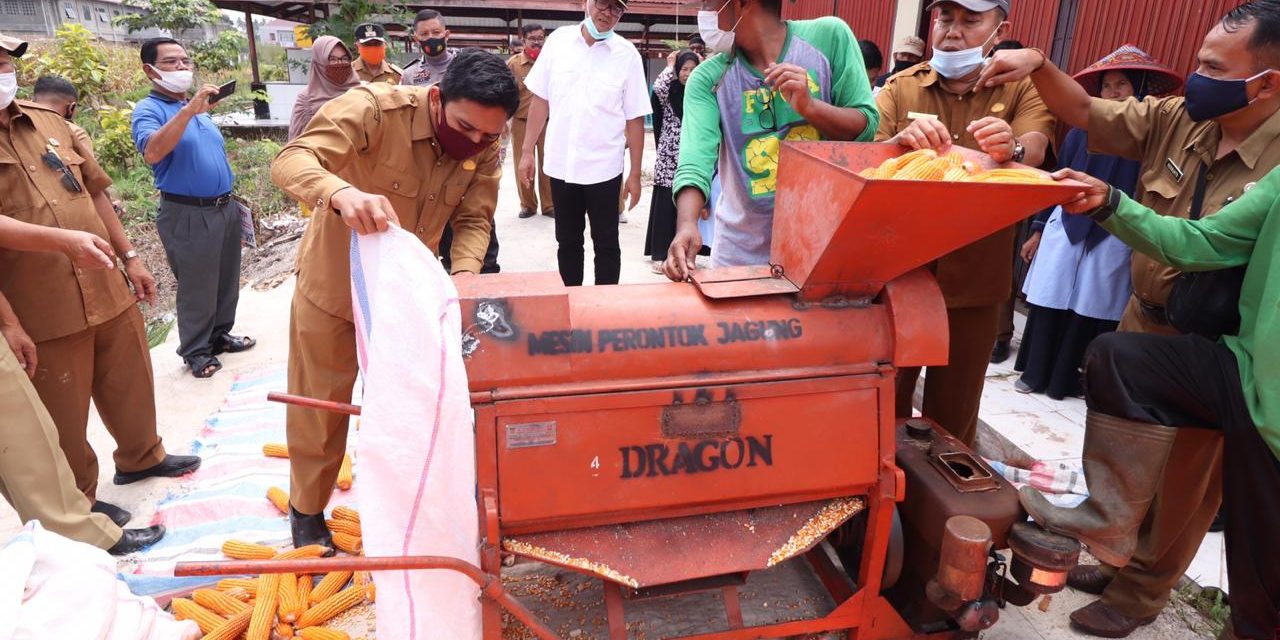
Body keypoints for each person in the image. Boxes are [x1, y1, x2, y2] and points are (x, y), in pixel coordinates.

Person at [976, 1, 1280, 634]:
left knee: (1185, 493)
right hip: (1144, 316)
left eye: (1213, 66)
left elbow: (1199, 243)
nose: (1196, 76)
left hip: (1213, 345)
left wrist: (1111, 204)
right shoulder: (1183, 117)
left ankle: (1139, 596)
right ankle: (1114, 554)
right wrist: (1038, 63)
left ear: (1267, 82)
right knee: (1127, 465)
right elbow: (1084, 111)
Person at [271, 49, 518, 550]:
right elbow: (292, 159)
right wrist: (340, 193)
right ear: (436, 97)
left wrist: (465, 276)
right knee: (323, 405)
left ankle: (405, 511)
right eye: (465, 127)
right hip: (334, 285)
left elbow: (473, 218)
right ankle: (308, 511)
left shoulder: (488, 142)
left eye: (487, 136)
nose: (474, 142)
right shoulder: (373, 109)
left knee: (409, 408)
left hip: (404, 297)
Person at [1026, 163, 1280, 640]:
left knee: (1262, 600)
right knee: (1117, 360)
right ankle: (1111, 524)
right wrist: (1110, 204)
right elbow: (1201, 241)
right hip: (1245, 373)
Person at [1, 32, 200, 525]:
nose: (3, 70)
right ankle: (82, 507)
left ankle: (142, 457)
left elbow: (94, 194)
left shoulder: (48, 122)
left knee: (129, 377)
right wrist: (8, 321)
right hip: (39, 302)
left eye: (4, 60)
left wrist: (130, 257)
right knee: (62, 413)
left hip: (104, 279)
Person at [875, 0, 1054, 448]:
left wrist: (1011, 148)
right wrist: (896, 143)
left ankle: (940, 512)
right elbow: (866, 156)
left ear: (1000, 29)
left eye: (971, 21)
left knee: (953, 423)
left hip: (976, 279)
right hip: (900, 276)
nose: (953, 32)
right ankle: (882, 507)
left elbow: (1036, 143)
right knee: (881, 409)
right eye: (945, 19)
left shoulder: (1020, 90)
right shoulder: (900, 88)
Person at [664, 0, 879, 279]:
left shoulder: (829, 38)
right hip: (740, 258)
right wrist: (686, 225)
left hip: (822, 251)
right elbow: (695, 160)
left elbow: (866, 127)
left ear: (741, 4)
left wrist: (811, 107)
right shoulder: (708, 78)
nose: (702, 13)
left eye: (707, 3)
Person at [1015, 47, 1182, 400]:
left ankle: (1067, 379)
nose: (1114, 92)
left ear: (1139, 90)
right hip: (1067, 225)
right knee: (1050, 299)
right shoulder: (1079, 131)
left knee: (1092, 306)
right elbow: (1057, 178)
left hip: (1114, 230)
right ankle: (1035, 372)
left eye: (1123, 85)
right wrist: (1039, 228)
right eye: (1107, 86)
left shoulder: (1150, 137)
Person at [0, 215, 167, 556]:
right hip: (45, 304)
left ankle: (74, 529)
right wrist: (62, 241)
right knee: (28, 446)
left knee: (29, 441)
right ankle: (78, 536)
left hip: (95, 286)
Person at [132, 37, 254, 380]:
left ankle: (218, 335)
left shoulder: (197, 110)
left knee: (225, 279)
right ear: (150, 70)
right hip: (187, 212)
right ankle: (196, 351)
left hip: (223, 208)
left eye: (186, 61)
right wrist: (187, 112)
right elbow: (152, 152)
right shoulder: (150, 109)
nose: (183, 67)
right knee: (197, 284)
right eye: (172, 62)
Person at [518, 0, 651, 287]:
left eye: (616, 10)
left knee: (606, 244)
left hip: (604, 169)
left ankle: (604, 310)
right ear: (587, 3)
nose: (608, 14)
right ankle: (573, 306)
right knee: (567, 242)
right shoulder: (558, 42)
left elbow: (635, 118)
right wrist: (527, 151)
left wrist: (635, 173)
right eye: (603, 4)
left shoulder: (626, 55)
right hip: (561, 165)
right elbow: (541, 100)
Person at [988, 36, 1028, 364]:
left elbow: (1036, 144)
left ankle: (1000, 335)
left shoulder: (1027, 94)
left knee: (1000, 268)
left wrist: (1014, 147)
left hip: (1006, 198)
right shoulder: (983, 87)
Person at [645, 50, 702, 273]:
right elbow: (657, 87)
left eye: (693, 69)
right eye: (684, 69)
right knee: (666, 206)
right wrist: (669, 66)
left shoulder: (701, 93)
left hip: (692, 155)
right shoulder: (669, 92)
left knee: (689, 204)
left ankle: (688, 255)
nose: (688, 74)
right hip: (670, 155)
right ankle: (660, 255)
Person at [509, 23, 554, 220]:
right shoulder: (513, 64)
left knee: (548, 163)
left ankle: (550, 205)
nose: (537, 42)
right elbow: (506, 93)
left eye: (540, 38)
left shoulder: (551, 62)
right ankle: (527, 205)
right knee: (523, 163)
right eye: (532, 39)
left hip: (548, 122)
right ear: (524, 40)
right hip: (521, 122)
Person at [288, 36, 359, 142]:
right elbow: (297, 146)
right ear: (319, 63)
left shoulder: (361, 93)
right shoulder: (306, 102)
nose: (339, 64)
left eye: (344, 59)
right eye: (332, 59)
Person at [402, 9, 455, 87]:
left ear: (446, 35)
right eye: (424, 34)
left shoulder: (466, 66)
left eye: (436, 32)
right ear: (416, 39)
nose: (430, 37)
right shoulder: (409, 74)